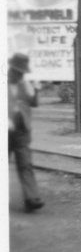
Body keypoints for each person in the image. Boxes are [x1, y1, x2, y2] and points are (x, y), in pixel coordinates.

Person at [7, 53, 44, 212]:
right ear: (11, 69)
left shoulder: (24, 83)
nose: (19, 74)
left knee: (25, 163)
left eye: (22, 72)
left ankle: (31, 198)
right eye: (17, 71)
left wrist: (36, 90)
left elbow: (34, 103)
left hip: (21, 129)